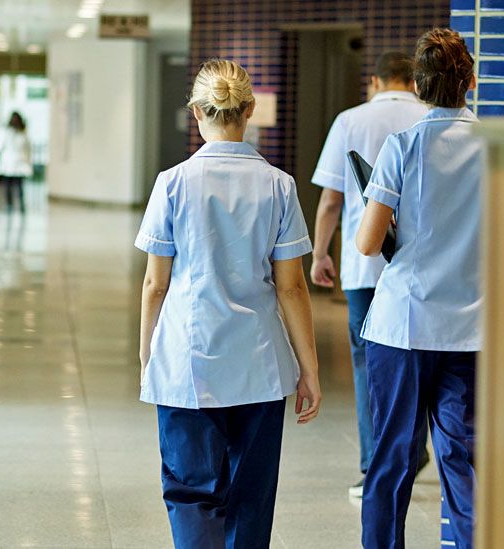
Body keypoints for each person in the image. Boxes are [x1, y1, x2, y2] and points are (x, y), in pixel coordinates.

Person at [136, 59, 322, 549]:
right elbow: (292, 288)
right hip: (259, 365)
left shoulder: (171, 183)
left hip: (187, 358)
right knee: (251, 498)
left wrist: (148, 352)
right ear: (250, 110)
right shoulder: (279, 186)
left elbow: (156, 283)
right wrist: (309, 369)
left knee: (192, 490)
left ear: (197, 111)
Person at [356, 29, 481, 549]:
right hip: (472, 329)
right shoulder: (497, 149)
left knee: (392, 458)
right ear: (471, 82)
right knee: (465, 458)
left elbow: (366, 243)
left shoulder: (402, 146)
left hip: (403, 326)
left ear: (420, 89)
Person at [309, 51, 431, 497]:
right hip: (421, 265)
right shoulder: (432, 116)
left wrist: (320, 253)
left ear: (375, 81)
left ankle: (373, 463)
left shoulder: (350, 120)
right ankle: (413, 447)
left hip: (364, 266)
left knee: (367, 363)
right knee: (420, 356)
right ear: (412, 81)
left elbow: (331, 200)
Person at [0, 111, 32, 212]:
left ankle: (9, 205)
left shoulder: (5, 132)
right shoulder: (22, 134)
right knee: (19, 185)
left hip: (8, 163)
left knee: (8, 185)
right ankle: (20, 204)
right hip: (19, 162)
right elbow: (27, 149)